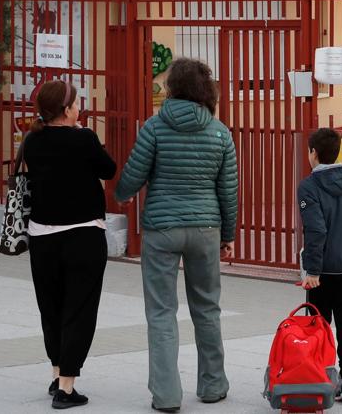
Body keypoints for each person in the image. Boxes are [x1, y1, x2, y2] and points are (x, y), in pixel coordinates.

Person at [115, 58, 238, 413]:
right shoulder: (220, 132)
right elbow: (228, 191)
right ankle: (213, 385)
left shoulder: (154, 127)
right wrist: (227, 234)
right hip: (205, 230)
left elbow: (132, 177)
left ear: (172, 87)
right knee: (208, 307)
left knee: (161, 312)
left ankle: (167, 396)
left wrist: (120, 194)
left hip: (161, 229)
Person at [23, 79, 117, 409]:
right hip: (83, 235)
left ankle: (55, 371)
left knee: (51, 307)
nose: (80, 108)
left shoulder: (31, 142)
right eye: (77, 104)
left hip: (42, 237)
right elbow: (109, 169)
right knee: (79, 309)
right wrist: (91, 142)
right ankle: (66, 388)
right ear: (66, 110)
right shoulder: (85, 139)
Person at [298, 128, 342, 403]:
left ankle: (319, 374)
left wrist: (312, 270)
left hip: (323, 269)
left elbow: (315, 230)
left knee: (318, 323)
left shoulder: (309, 186)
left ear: (313, 153)